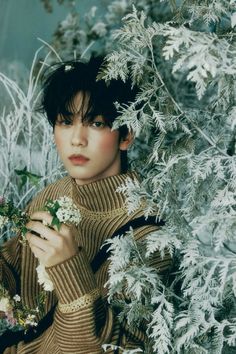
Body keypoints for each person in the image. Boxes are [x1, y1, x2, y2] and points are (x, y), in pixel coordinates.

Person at [0, 56, 171, 353]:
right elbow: (15, 269)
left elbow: (114, 347)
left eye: (96, 122)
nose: (77, 139)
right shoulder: (54, 195)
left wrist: (68, 268)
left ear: (126, 135)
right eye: (65, 121)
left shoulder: (150, 236)